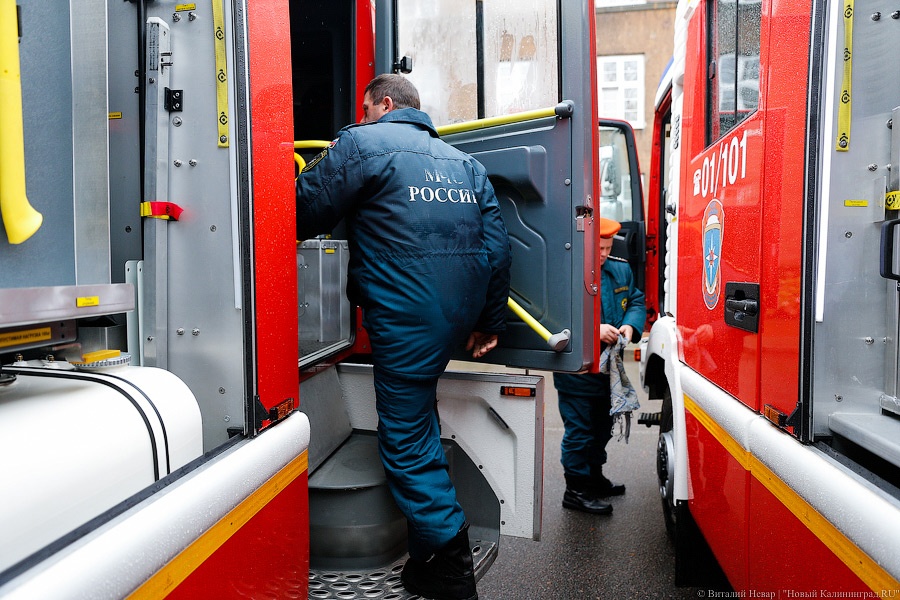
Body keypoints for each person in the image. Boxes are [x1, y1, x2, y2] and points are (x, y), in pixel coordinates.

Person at [296, 74, 511, 600]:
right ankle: (425, 559)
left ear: (383, 104)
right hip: (455, 317)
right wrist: (489, 322)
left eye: (367, 109)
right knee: (418, 419)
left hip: (406, 316)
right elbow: (498, 248)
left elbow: (304, 210)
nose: (364, 117)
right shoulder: (465, 164)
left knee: (404, 439)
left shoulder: (362, 143)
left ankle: (451, 564)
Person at [553, 217, 645, 515]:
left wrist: (630, 327)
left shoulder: (620, 269)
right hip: (577, 370)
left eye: (607, 248)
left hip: (608, 371)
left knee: (603, 427)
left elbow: (636, 302)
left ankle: (594, 478)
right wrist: (595, 330)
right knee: (580, 431)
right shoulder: (567, 273)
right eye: (598, 248)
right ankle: (575, 491)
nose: (603, 254)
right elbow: (555, 318)